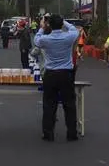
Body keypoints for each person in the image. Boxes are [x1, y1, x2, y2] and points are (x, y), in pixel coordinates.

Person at [34, 14, 80, 142]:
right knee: (69, 104)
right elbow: (75, 30)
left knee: (49, 104)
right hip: (66, 73)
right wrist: (64, 21)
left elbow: (36, 40)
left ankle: (48, 133)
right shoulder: (69, 37)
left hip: (50, 73)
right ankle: (72, 133)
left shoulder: (45, 39)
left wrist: (42, 26)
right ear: (61, 24)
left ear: (49, 24)